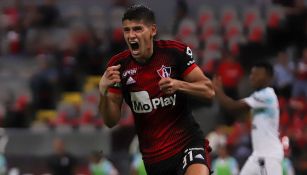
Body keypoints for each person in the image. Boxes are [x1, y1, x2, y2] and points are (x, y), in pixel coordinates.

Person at [98, 5, 215, 175]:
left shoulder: (174, 52)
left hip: (187, 143)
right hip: (154, 158)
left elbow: (208, 91)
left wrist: (178, 84)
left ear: (152, 30)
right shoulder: (118, 66)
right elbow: (110, 121)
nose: (131, 35)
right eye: (127, 30)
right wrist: (103, 92)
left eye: (137, 29)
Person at [213, 62, 284, 175]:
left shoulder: (267, 95)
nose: (252, 77)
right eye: (252, 74)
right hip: (257, 155)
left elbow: (233, 106)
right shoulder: (258, 97)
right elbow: (239, 114)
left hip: (268, 156)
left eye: (257, 74)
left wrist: (218, 91)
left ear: (269, 78)